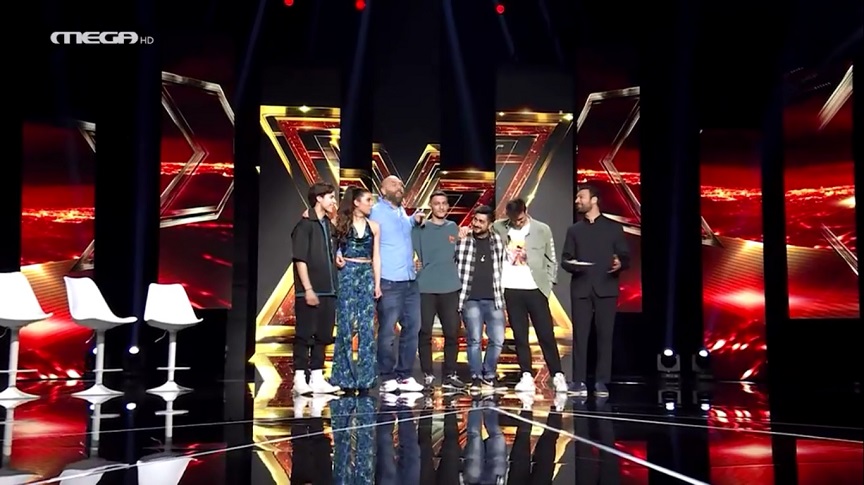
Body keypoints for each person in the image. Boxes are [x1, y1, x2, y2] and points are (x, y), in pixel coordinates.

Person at [491, 198, 568, 393]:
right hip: (511, 289)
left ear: (526, 212)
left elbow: (551, 258)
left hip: (535, 289)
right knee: (520, 335)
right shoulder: (498, 227)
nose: (518, 223)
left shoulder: (542, 229)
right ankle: (526, 375)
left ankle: (557, 375)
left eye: (521, 219)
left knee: (546, 334)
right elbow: (482, 233)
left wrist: (547, 285)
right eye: (514, 220)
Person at [561, 185, 630, 397]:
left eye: (581, 197)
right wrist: (573, 265)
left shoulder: (614, 228)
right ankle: (579, 382)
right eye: (576, 197)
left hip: (606, 288)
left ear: (594, 200)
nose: (577, 201)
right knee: (580, 337)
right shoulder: (574, 230)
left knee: (605, 337)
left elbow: (625, 257)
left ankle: (602, 382)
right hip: (581, 289)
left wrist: (620, 263)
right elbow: (565, 259)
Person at [370, 175, 426, 393]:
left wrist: (413, 220)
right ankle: (386, 376)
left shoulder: (401, 212)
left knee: (413, 327)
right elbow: (358, 232)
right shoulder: (375, 211)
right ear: (382, 190)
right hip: (389, 280)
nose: (400, 186)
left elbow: (402, 228)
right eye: (394, 184)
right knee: (387, 331)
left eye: (401, 184)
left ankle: (404, 375)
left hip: (410, 281)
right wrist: (340, 252)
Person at [290, 182, 341, 395]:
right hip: (310, 290)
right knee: (305, 335)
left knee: (323, 335)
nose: (334, 201)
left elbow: (334, 247)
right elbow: (300, 259)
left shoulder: (328, 226)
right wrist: (308, 289)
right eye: (330, 197)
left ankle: (317, 377)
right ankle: (299, 378)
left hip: (329, 290)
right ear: (318, 198)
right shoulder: (304, 226)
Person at [330, 186, 381, 393]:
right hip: (347, 273)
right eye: (368, 200)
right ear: (356, 202)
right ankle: (343, 377)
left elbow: (376, 256)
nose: (371, 204)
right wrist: (337, 255)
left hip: (366, 273)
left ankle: (366, 378)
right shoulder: (340, 222)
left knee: (366, 326)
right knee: (345, 324)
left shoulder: (374, 226)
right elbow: (332, 246)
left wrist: (377, 284)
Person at [412, 191, 464, 389]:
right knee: (424, 331)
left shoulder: (453, 227)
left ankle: (450, 374)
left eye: (444, 203)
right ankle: (428, 374)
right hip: (425, 287)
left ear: (448, 206)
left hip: (450, 288)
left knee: (452, 332)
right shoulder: (420, 228)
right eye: (437, 203)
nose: (441, 207)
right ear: (430, 206)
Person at [455, 205, 506, 391]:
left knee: (498, 340)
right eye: (475, 220)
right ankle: (476, 376)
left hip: (494, 298)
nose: (476, 224)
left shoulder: (498, 241)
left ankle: (489, 374)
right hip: (470, 298)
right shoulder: (463, 240)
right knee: (474, 339)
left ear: (490, 224)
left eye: (481, 221)